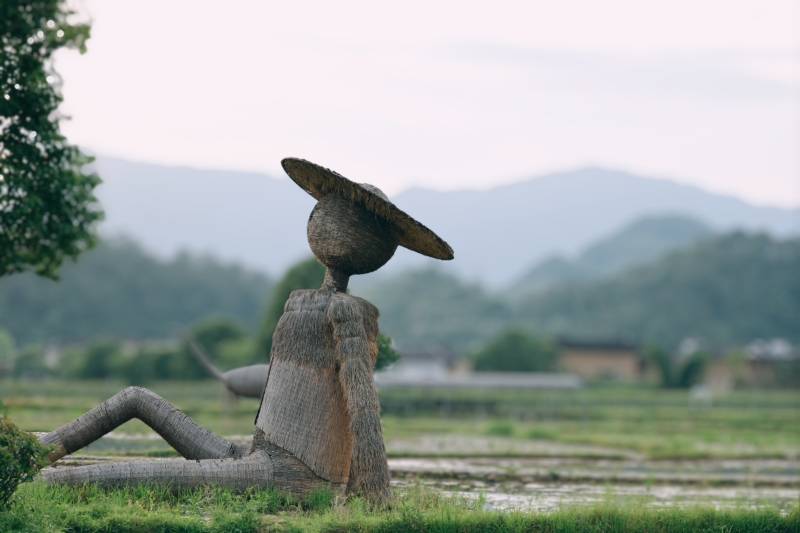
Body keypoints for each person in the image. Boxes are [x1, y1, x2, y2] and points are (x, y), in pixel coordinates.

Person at [40, 158, 453, 504]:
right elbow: (284, 380)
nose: (322, 221)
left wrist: (376, 501)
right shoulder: (301, 300)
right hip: (256, 455)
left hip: (288, 476)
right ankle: (24, 458)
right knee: (135, 399)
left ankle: (29, 481)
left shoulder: (349, 313)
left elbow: (363, 409)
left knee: (96, 479)